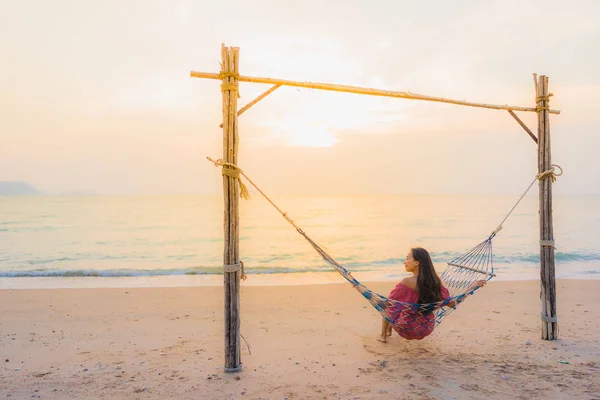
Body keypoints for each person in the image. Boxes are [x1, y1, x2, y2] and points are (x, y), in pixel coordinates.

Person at [377, 247, 486, 342]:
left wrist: (373, 298)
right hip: (426, 328)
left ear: (417, 262)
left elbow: (387, 305)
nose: (405, 262)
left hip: (407, 328)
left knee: (390, 306)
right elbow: (452, 303)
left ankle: (383, 336)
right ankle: (389, 330)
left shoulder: (406, 282)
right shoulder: (435, 282)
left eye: (407, 258)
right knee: (399, 305)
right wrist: (471, 288)